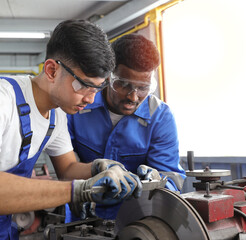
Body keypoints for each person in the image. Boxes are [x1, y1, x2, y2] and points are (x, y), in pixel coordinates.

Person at [0, 20, 142, 239]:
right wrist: (78, 190)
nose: (91, 98)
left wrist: (99, 168)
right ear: (52, 70)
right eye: (83, 85)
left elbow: (68, 169)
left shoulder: (57, 116)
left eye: (98, 88)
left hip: (0, 229)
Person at [66, 33, 186, 221]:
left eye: (143, 88)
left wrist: (158, 181)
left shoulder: (160, 118)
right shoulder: (80, 105)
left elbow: (170, 180)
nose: (133, 97)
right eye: (123, 85)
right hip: (81, 217)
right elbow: (65, 161)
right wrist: (79, 188)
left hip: (134, 223)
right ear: (108, 76)